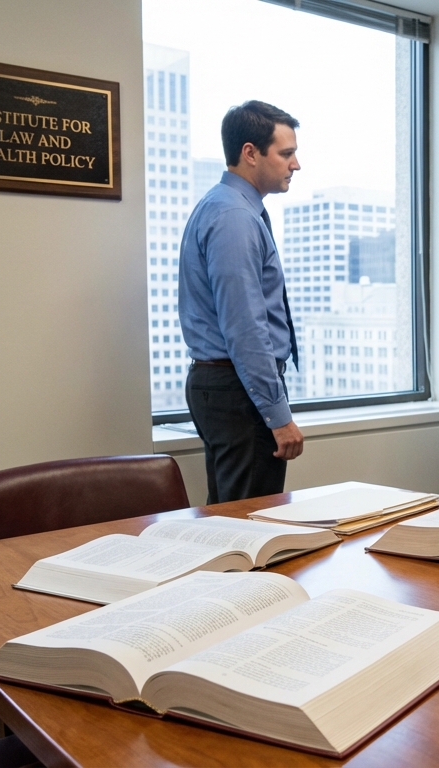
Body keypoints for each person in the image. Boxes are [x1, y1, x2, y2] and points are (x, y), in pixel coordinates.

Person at [179, 100, 305, 504]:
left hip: (227, 386)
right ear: (250, 153)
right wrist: (278, 416)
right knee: (248, 529)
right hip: (238, 391)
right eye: (286, 153)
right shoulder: (234, 216)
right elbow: (245, 326)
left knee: (232, 519)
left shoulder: (224, 206)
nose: (296, 164)